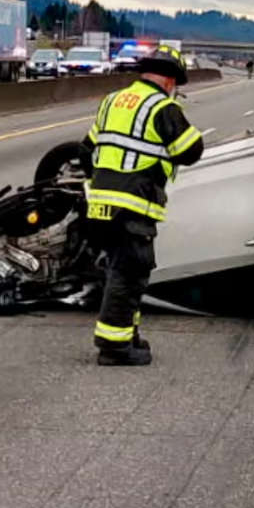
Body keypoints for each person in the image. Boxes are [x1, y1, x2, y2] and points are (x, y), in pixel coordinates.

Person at [79, 45, 205, 366]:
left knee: (121, 270)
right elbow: (191, 150)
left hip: (100, 205)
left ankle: (127, 336)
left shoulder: (112, 101)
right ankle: (113, 346)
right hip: (133, 206)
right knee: (130, 273)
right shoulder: (162, 107)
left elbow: (85, 150)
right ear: (169, 81)